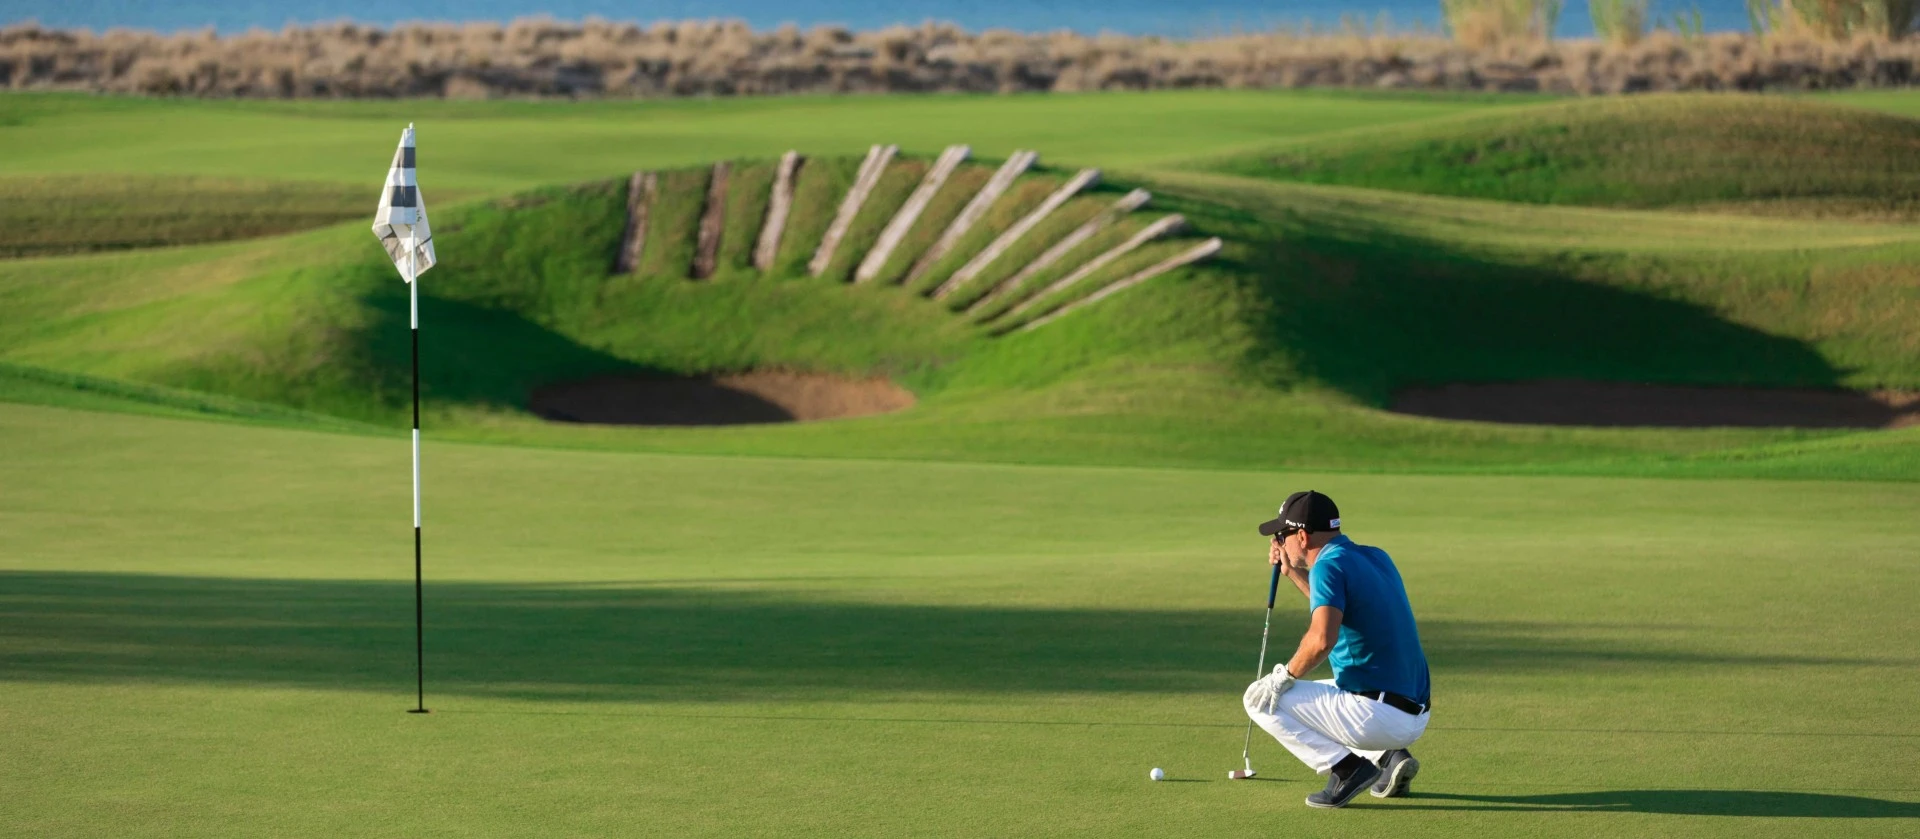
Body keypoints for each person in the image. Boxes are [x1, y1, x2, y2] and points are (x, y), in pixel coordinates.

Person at [1242, 490, 1432, 809]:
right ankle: (1389, 756)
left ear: (1301, 536)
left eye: (1282, 534)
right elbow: (1335, 609)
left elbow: (1321, 641)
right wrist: (1292, 572)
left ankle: (1347, 770)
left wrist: (1283, 676)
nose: (1278, 541)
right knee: (1315, 691)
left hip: (1376, 716)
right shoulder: (1374, 556)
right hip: (1413, 712)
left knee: (1259, 698)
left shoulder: (1327, 567)